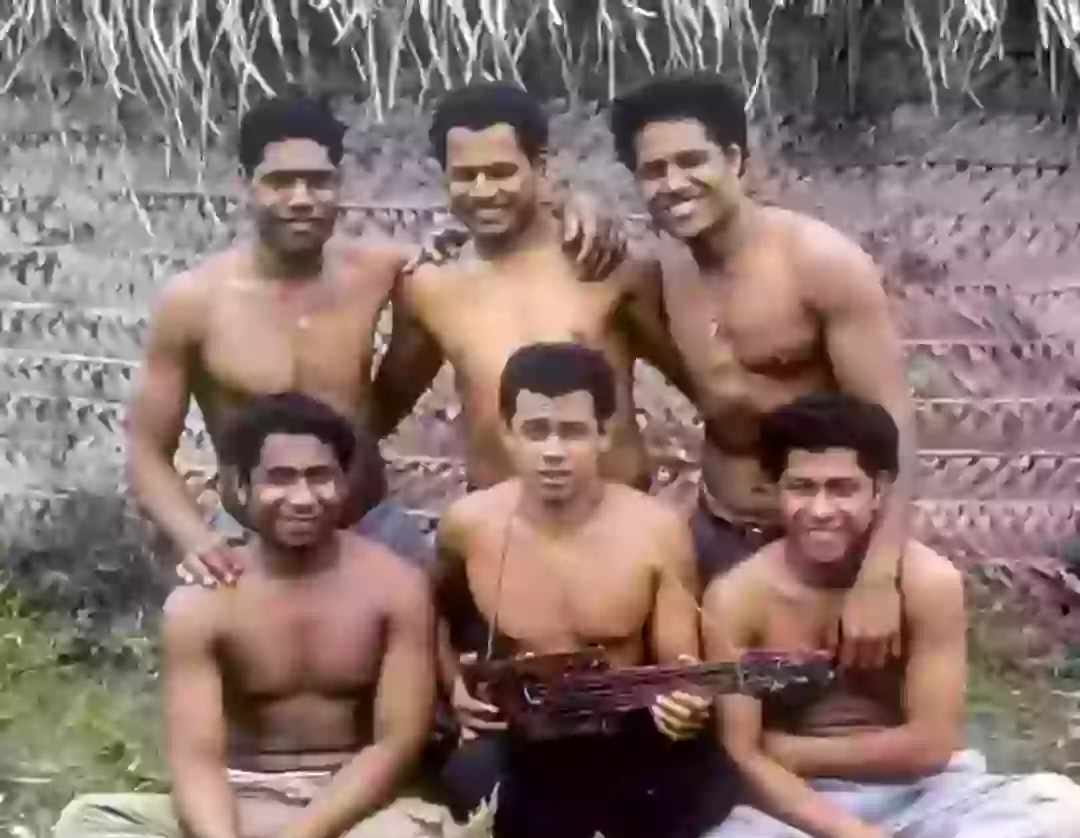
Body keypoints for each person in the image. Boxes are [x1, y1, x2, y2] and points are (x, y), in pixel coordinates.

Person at [127, 93, 623, 588]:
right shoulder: (194, 302)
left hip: (369, 524)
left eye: (318, 182)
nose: (301, 198)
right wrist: (195, 537)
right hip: (249, 536)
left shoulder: (383, 270)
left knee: (435, 641)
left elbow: (493, 223)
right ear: (245, 185)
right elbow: (146, 448)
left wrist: (575, 203)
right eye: (279, 182)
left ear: (341, 184)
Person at [683, 392, 1080, 838]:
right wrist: (852, 837)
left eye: (842, 488)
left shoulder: (927, 582)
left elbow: (930, 746)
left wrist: (791, 750)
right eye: (802, 487)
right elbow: (743, 756)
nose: (820, 510)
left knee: (1062, 809)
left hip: (926, 794)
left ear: (880, 491)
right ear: (775, 491)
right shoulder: (738, 597)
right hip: (800, 810)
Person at [54, 393, 448, 838]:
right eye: (279, 478)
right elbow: (196, 755)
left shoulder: (395, 587)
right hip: (240, 798)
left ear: (347, 482)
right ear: (241, 487)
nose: (303, 497)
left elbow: (396, 743)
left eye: (320, 476)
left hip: (352, 808)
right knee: (84, 825)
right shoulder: (202, 603)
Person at [609, 74, 915, 670]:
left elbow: (891, 421)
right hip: (716, 529)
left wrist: (879, 573)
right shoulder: (662, 276)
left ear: (735, 159)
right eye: (654, 170)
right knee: (696, 717)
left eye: (691, 161)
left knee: (820, 716)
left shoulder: (817, 263)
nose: (674, 183)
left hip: (818, 539)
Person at [435, 342, 735, 838]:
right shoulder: (468, 526)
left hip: (627, 733)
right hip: (528, 735)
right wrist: (453, 681)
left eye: (572, 431)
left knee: (708, 784)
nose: (553, 451)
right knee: (467, 775)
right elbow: (436, 614)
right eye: (536, 431)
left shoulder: (655, 532)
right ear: (507, 433)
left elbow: (679, 666)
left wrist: (683, 706)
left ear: (604, 434)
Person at [372, 82, 693, 494]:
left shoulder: (609, 265)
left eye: (502, 172)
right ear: (444, 177)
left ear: (539, 167)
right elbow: (380, 412)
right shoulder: (430, 287)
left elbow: (705, 386)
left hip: (616, 528)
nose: (483, 191)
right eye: (466, 176)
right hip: (502, 533)